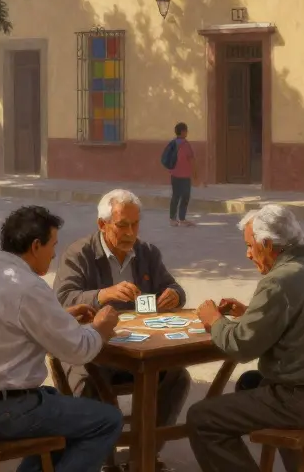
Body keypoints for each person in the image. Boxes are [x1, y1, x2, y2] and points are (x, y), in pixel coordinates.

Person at [188, 205, 304, 472]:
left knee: (202, 418)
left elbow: (241, 347)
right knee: (250, 384)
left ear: (267, 244)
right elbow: (302, 323)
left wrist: (214, 320)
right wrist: (250, 313)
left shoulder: (278, 281)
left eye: (250, 246)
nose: (248, 254)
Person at [0, 205, 122, 472]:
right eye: (53, 245)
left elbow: (5, 324)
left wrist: (59, 316)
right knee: (108, 419)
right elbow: (79, 351)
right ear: (36, 246)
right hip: (5, 413)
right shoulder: (27, 287)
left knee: (57, 405)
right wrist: (101, 329)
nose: (53, 255)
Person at [53, 190, 190, 456]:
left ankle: (145, 452)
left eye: (135, 224)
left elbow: (172, 286)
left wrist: (175, 294)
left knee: (176, 377)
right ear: (102, 225)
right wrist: (102, 295)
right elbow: (63, 301)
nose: (130, 232)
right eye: (122, 225)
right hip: (92, 349)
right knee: (89, 380)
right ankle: (98, 455)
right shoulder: (79, 254)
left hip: (138, 349)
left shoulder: (147, 252)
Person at [167, 122, 197, 227]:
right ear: (183, 131)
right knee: (185, 197)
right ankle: (182, 219)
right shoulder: (185, 145)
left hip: (174, 174)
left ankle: (172, 219)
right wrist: (195, 175)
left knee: (175, 196)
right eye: (186, 130)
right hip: (185, 176)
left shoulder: (172, 143)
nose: (187, 132)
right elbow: (192, 160)